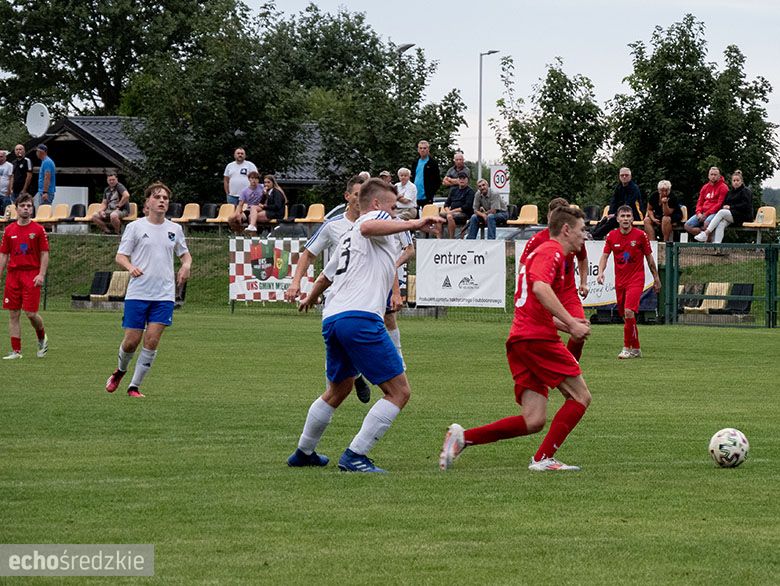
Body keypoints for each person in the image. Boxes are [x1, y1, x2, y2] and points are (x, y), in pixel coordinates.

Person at [287, 178, 443, 473]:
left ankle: (304, 452)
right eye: (393, 207)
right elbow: (371, 226)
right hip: (359, 318)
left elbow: (325, 276)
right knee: (399, 392)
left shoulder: (348, 238)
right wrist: (415, 224)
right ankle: (355, 455)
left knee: (338, 389)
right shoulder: (374, 218)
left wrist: (310, 297)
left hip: (333, 319)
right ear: (375, 204)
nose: (395, 213)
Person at [439, 206, 591, 472]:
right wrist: (570, 323)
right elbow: (540, 288)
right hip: (537, 339)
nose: (584, 236)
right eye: (581, 230)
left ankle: (463, 438)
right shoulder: (551, 251)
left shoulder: (544, 252)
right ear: (566, 229)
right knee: (580, 397)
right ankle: (543, 459)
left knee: (533, 420)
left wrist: (568, 325)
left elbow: (532, 300)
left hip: (522, 339)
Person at [285, 175, 374, 403]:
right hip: (336, 296)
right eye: (356, 194)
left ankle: (354, 376)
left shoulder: (373, 224)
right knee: (335, 344)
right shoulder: (333, 226)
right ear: (347, 197)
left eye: (364, 194)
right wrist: (296, 283)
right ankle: (337, 391)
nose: (360, 199)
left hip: (365, 294)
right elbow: (308, 253)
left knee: (356, 340)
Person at [104, 182, 192, 397]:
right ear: (147, 203)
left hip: (164, 295)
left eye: (165, 198)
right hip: (138, 293)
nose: (162, 201)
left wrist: (186, 266)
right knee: (132, 341)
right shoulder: (135, 227)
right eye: (157, 197)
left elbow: (185, 255)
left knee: (151, 340)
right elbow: (120, 256)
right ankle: (120, 371)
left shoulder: (175, 229)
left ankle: (134, 387)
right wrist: (130, 267)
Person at [519, 198, 589, 361]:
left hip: (567, 293)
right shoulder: (538, 240)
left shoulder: (573, 238)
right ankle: (562, 369)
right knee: (546, 336)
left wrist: (583, 282)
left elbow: (583, 258)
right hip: (544, 296)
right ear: (549, 216)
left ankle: (570, 366)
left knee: (580, 331)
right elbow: (523, 268)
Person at [597, 205, 661, 359]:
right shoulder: (612, 236)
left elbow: (649, 258)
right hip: (620, 281)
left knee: (628, 311)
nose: (625, 219)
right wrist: (600, 272)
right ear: (617, 219)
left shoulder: (640, 235)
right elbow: (605, 256)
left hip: (636, 279)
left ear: (633, 219)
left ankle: (626, 348)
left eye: (628, 216)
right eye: (622, 216)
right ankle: (637, 348)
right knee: (627, 316)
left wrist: (656, 278)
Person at [0, 194, 49, 360]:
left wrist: (41, 274)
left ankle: (42, 337)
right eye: (23, 205)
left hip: (31, 274)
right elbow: (4, 255)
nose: (26, 208)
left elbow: (44, 253)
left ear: (32, 208)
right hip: (13, 275)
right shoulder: (9, 231)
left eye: (29, 205)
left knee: (30, 313)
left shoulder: (38, 230)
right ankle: (16, 351)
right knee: (13, 314)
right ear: (16, 208)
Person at [694, 170, 753, 244]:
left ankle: (706, 233)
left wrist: (730, 207)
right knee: (721, 223)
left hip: (743, 216)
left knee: (721, 212)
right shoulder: (730, 192)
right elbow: (724, 203)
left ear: (741, 181)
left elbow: (746, 205)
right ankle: (717, 245)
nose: (736, 182)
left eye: (738, 180)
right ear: (732, 182)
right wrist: (725, 206)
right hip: (732, 216)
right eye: (734, 180)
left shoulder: (746, 191)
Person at [591, 167, 642, 239]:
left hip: (634, 213)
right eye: (622, 175)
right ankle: (593, 234)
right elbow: (613, 201)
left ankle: (595, 235)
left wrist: (615, 214)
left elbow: (628, 204)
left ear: (630, 177)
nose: (624, 177)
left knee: (613, 220)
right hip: (621, 213)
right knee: (605, 219)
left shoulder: (634, 188)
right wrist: (611, 213)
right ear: (619, 176)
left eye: (626, 175)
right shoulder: (618, 187)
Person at [684, 167, 728, 238]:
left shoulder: (723, 187)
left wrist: (706, 214)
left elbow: (719, 204)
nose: (713, 176)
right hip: (702, 213)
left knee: (707, 223)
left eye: (715, 175)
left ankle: (708, 244)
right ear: (708, 176)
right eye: (711, 174)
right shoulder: (705, 187)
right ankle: (703, 233)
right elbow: (699, 202)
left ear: (719, 176)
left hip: (715, 212)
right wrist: (698, 213)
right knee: (687, 226)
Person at [438, 171, 474, 238]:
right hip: (451, 212)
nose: (462, 180)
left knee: (449, 216)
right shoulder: (453, 190)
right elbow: (446, 204)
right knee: (438, 218)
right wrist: (448, 210)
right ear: (457, 180)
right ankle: (439, 238)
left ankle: (451, 238)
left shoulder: (470, 191)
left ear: (467, 180)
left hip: (464, 213)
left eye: (464, 178)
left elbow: (467, 206)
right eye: (460, 178)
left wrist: (452, 211)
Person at [410, 140, 441, 207]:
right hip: (415, 196)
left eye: (424, 148)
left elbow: (437, 181)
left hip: (427, 197)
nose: (422, 150)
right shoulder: (415, 162)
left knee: (427, 216)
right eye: (420, 148)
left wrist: (431, 193)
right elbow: (412, 177)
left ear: (428, 149)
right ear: (418, 150)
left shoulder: (432, 163)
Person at [0, 151, 12, 215]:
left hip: (5, 193)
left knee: (6, 211)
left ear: (5, 157)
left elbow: (11, 178)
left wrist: (9, 190)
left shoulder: (9, 166)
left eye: (1, 157)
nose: (0, 158)